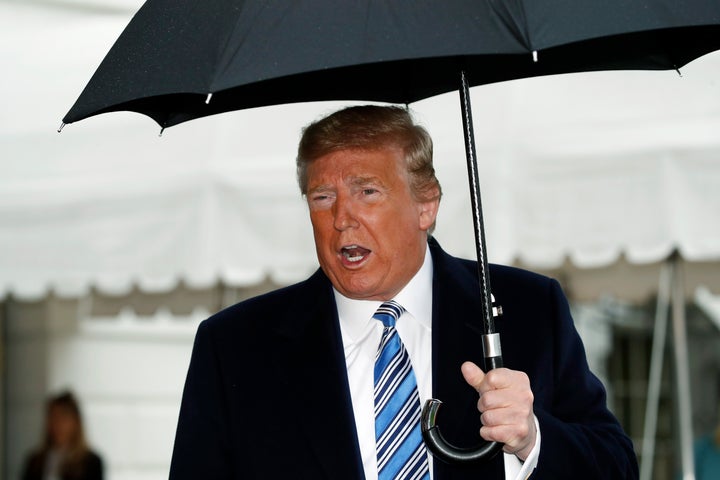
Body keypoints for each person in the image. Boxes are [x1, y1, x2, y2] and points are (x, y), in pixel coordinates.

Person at [169, 105, 638, 479]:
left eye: (367, 191)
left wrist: (532, 438)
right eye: (322, 197)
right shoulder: (236, 347)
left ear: (426, 205)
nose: (342, 219)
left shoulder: (527, 311)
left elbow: (617, 467)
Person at [21, 390, 104, 480]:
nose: (58, 425)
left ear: (75, 422)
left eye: (63, 418)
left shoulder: (91, 462)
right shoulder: (35, 461)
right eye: (53, 417)